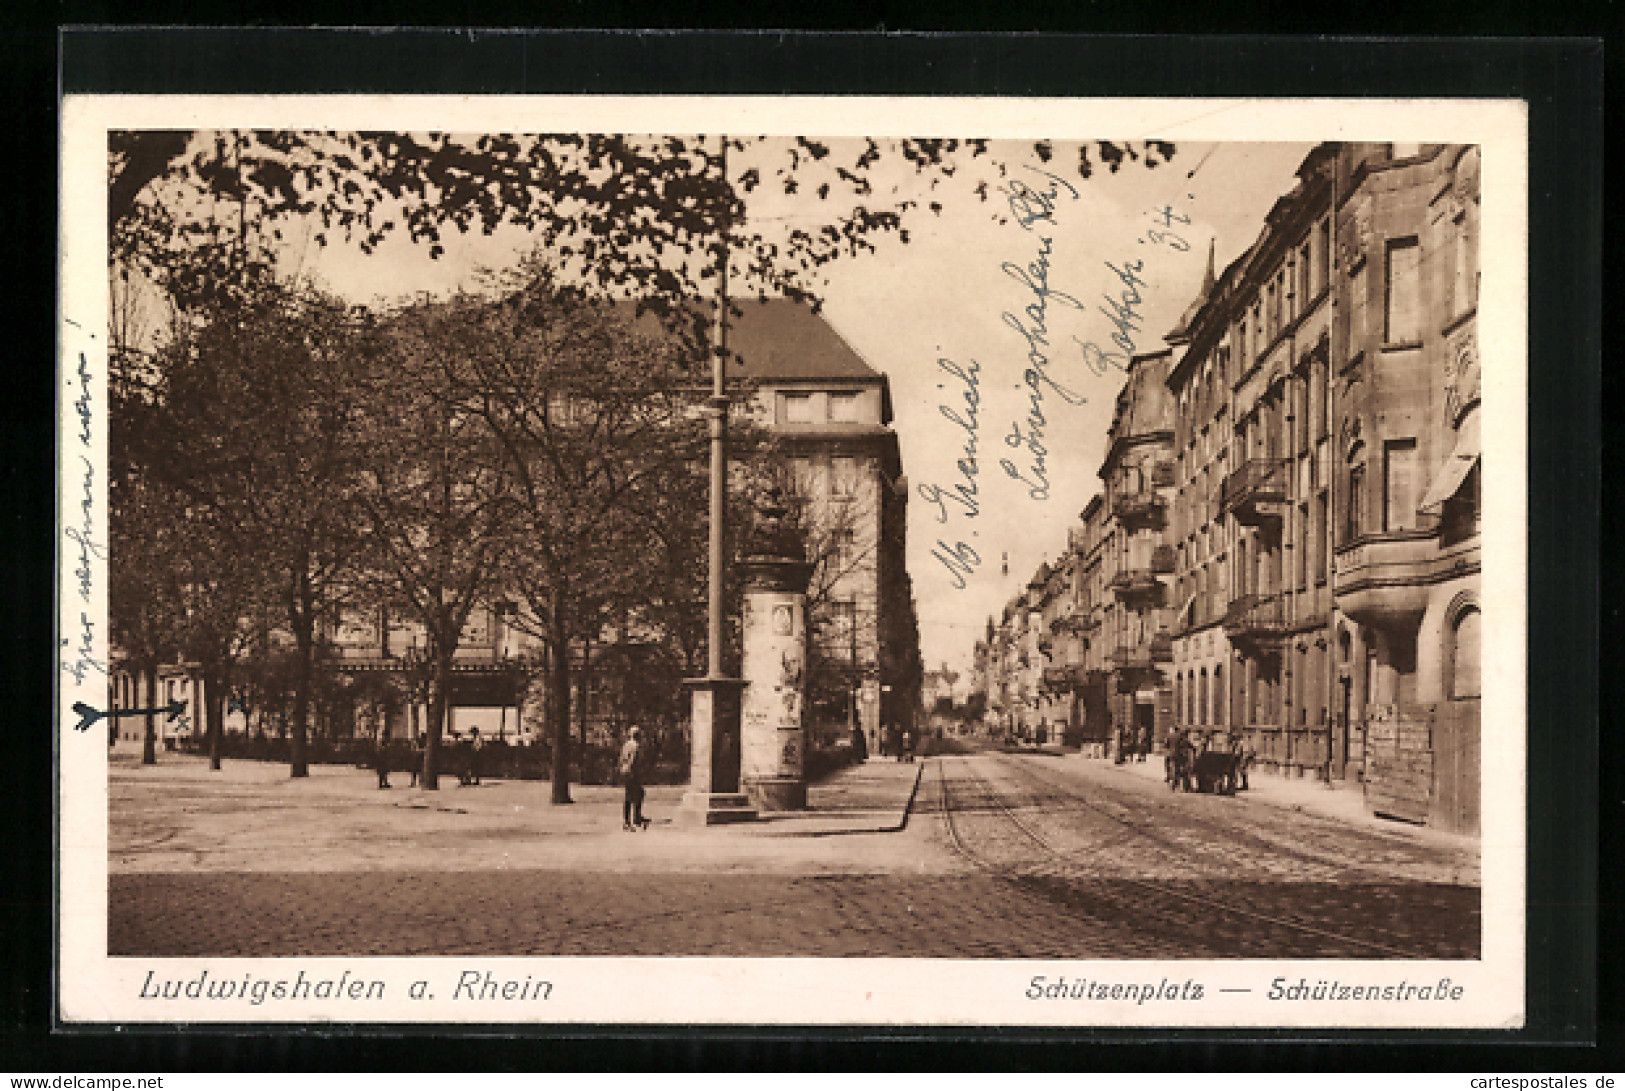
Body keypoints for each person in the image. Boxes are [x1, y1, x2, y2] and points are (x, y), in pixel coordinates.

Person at [619, 726, 650, 831]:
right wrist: (635, 771)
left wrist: (623, 768)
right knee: (638, 794)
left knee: (629, 795)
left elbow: (622, 758)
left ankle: (628, 820)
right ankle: (635, 819)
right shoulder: (636, 746)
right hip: (632, 773)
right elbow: (633, 760)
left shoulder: (626, 745)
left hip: (625, 771)